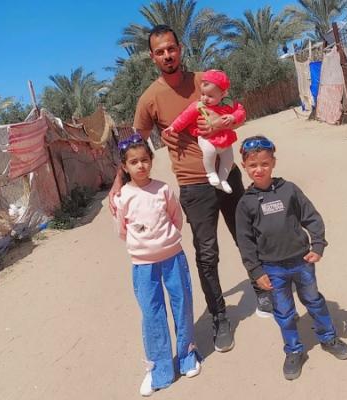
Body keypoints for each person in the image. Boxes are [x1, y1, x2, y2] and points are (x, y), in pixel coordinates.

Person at [109, 25, 272, 354]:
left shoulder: (204, 81)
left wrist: (224, 122)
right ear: (152, 57)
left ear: (180, 48)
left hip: (228, 176)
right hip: (193, 185)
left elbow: (237, 112)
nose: (167, 55)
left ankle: (264, 291)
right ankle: (219, 317)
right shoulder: (149, 99)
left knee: (247, 235)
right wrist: (118, 181)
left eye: (171, 48)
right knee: (207, 253)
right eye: (160, 51)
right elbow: (134, 146)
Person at [235, 135, 347, 380]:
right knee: (284, 312)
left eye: (264, 163)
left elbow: (311, 216)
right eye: (253, 165)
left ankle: (329, 338)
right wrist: (256, 271)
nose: (259, 169)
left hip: (302, 261)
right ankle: (293, 350)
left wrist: (318, 244)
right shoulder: (245, 204)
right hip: (272, 268)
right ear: (244, 166)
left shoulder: (288, 190)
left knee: (314, 300)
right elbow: (245, 243)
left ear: (273, 162)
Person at [113, 133, 201, 396]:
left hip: (173, 258)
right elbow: (122, 230)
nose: (140, 166)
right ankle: (159, 369)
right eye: (133, 162)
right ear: (125, 167)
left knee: (182, 304)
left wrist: (166, 241)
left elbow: (176, 218)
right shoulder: (123, 196)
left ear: (151, 160)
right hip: (143, 265)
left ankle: (187, 356)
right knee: (152, 314)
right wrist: (144, 246)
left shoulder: (163, 189)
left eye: (144, 160)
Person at [163, 69, 246, 194]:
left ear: (222, 94)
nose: (205, 98)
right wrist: (173, 127)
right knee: (209, 151)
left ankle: (223, 180)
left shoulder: (228, 104)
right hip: (206, 137)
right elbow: (184, 117)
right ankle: (211, 172)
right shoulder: (199, 105)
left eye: (210, 96)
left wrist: (233, 117)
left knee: (228, 158)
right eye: (203, 94)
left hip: (224, 138)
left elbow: (241, 112)